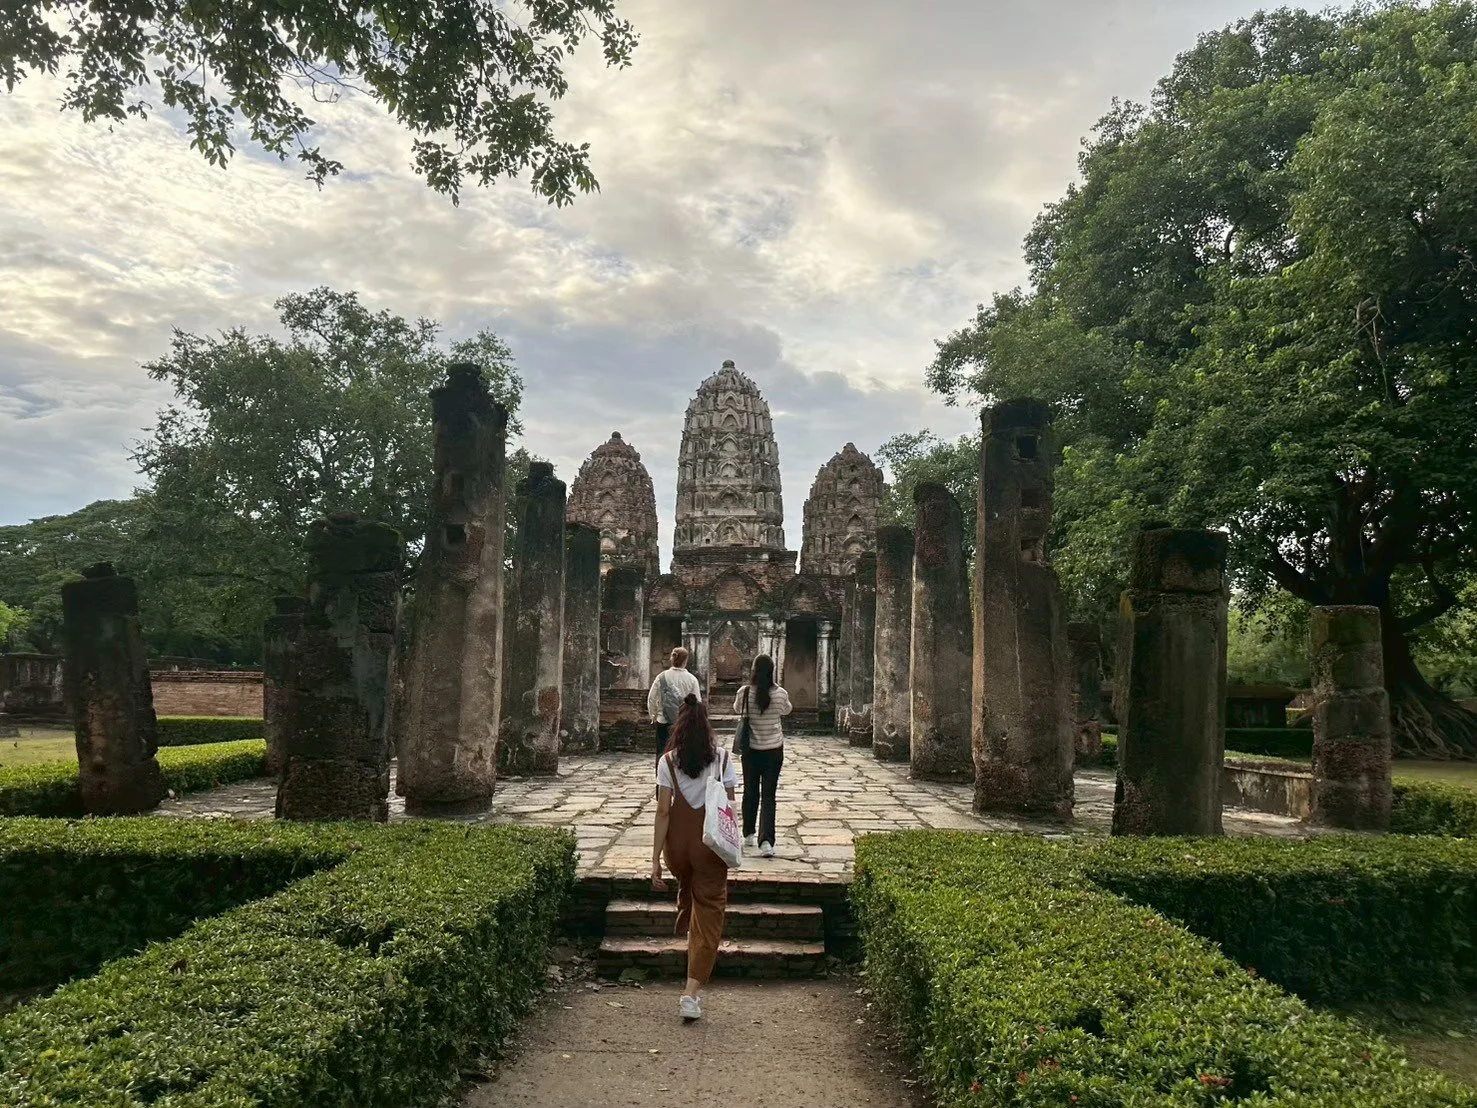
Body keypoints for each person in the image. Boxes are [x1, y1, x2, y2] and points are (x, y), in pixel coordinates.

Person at [652, 694, 737, 1021]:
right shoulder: (723, 760)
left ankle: (685, 906)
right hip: (708, 845)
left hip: (677, 847)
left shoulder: (668, 761)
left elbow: (662, 812)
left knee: (688, 881)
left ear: (679, 727)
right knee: (710, 912)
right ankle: (690, 994)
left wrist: (655, 859)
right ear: (708, 727)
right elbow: (728, 808)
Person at [735, 654, 791, 859]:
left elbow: (736, 709)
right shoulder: (781, 694)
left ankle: (748, 833)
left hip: (751, 750)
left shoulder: (745, 692)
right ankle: (766, 840)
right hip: (774, 750)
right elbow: (786, 711)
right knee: (769, 796)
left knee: (750, 792)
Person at [647, 646, 703, 776]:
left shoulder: (661, 677)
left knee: (662, 755)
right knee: (683, 756)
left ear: (672, 659)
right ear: (686, 660)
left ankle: (661, 786)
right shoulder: (691, 679)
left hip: (664, 721)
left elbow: (651, 698)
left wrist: (653, 716)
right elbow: (697, 702)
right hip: (684, 722)